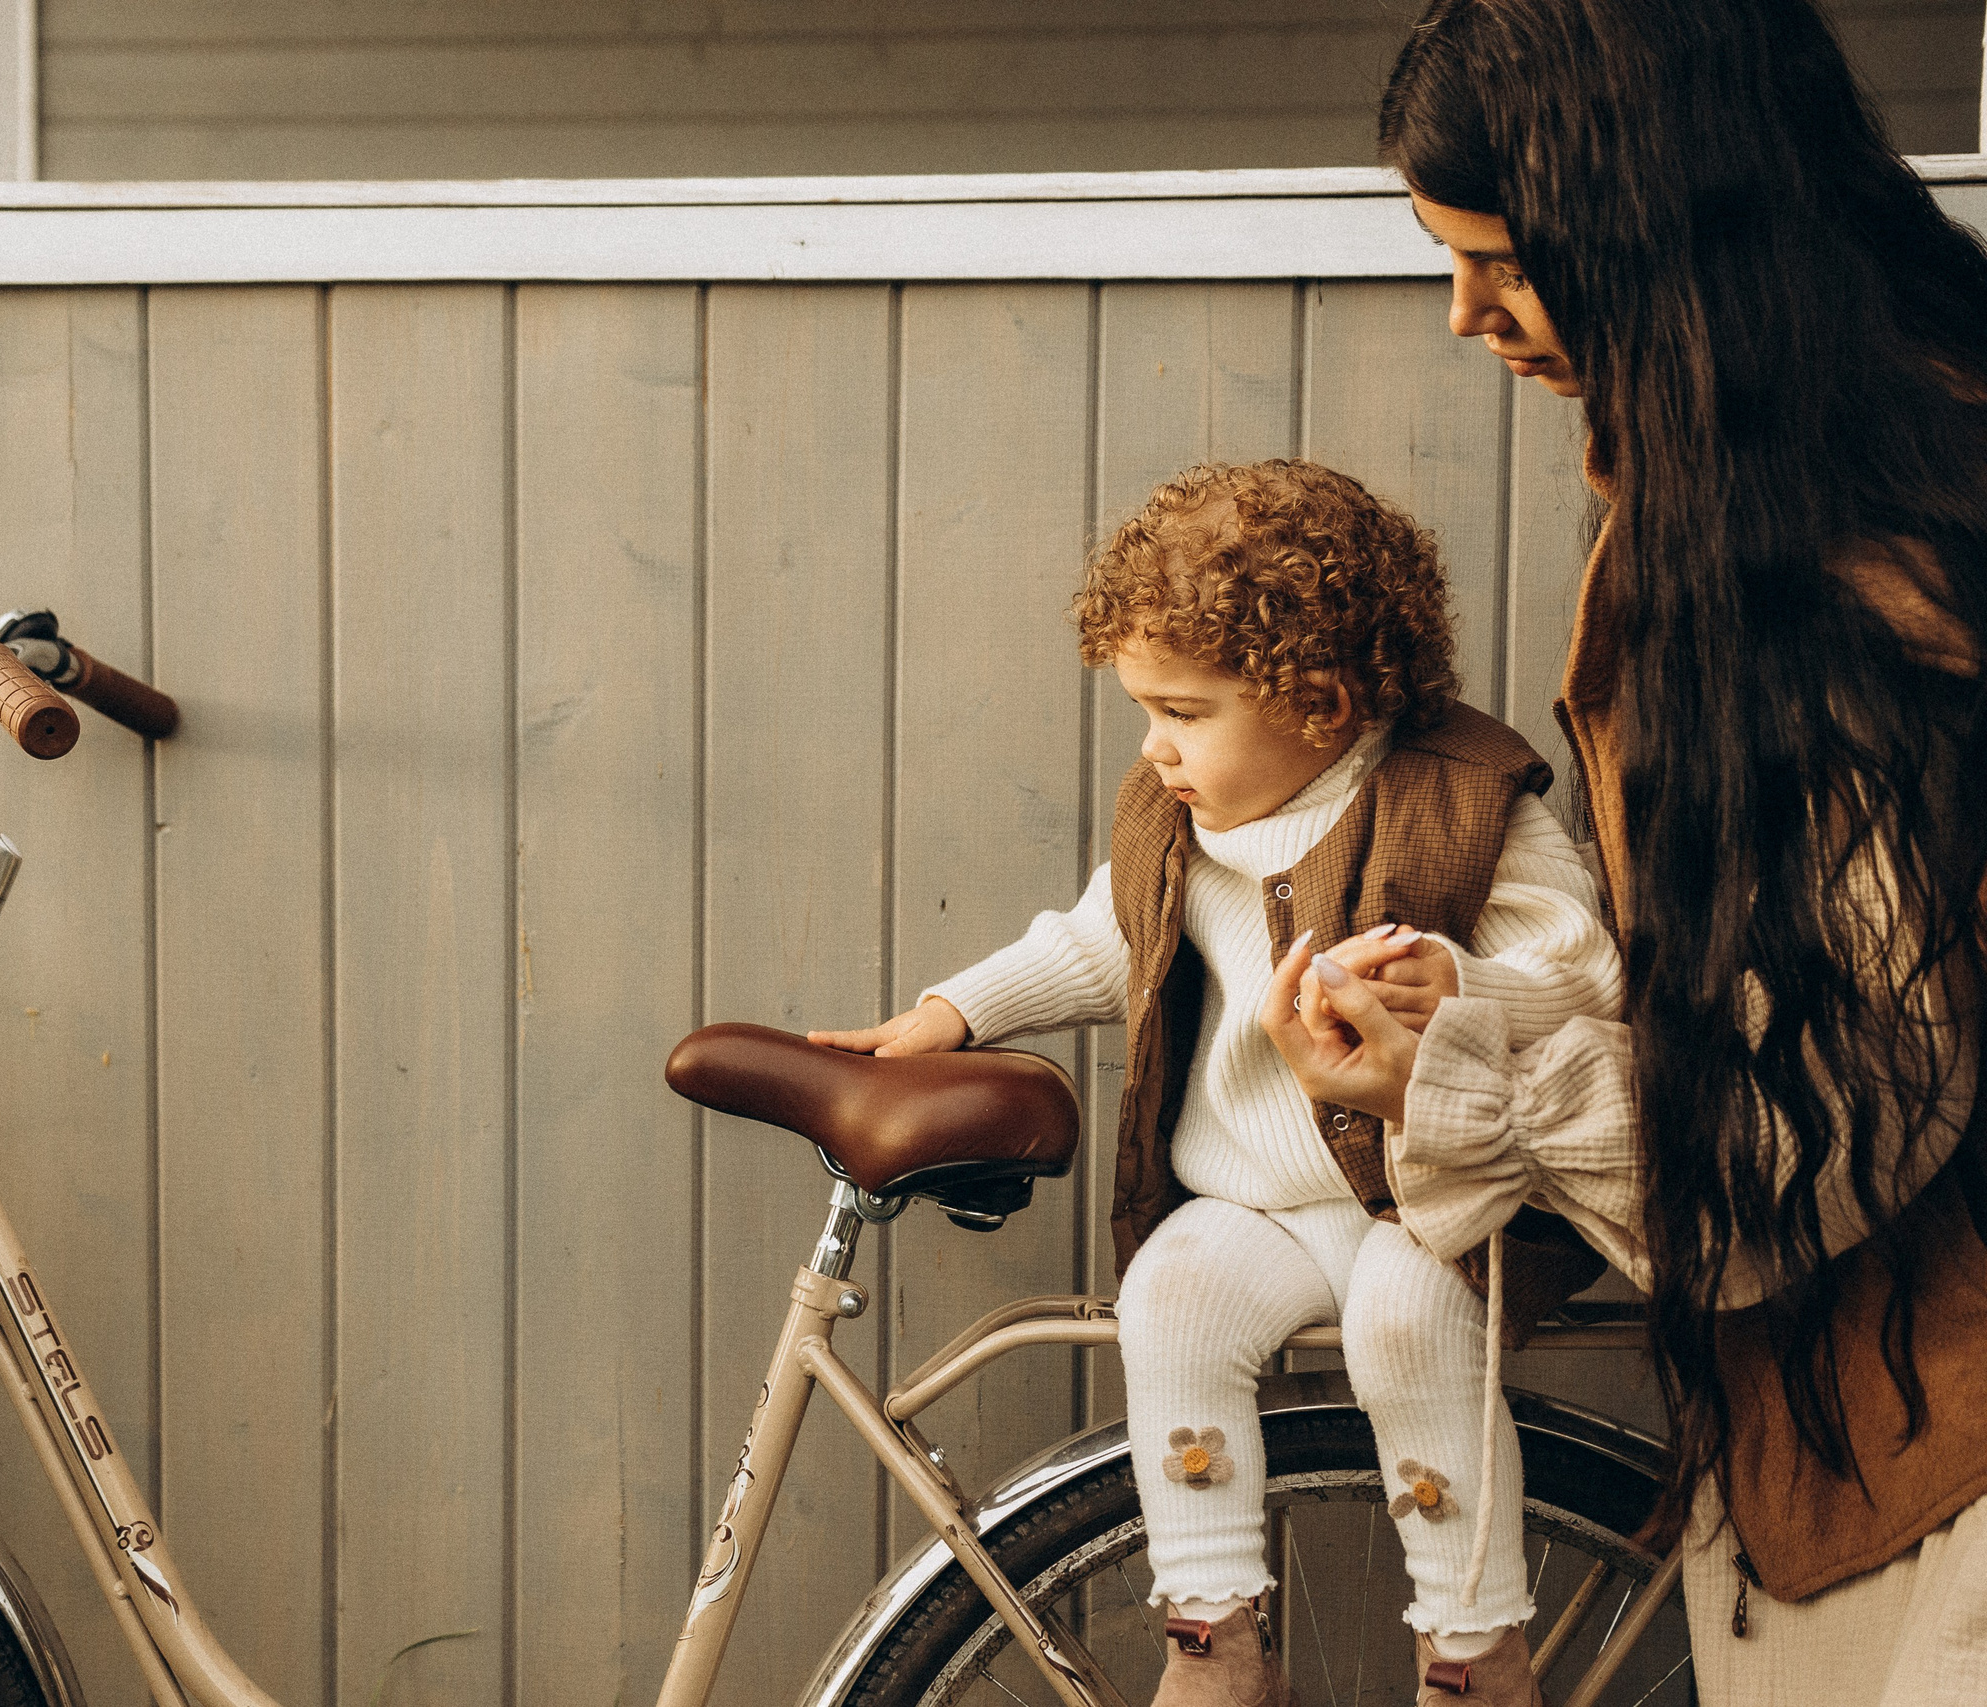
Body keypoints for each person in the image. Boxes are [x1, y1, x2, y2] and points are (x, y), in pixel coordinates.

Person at [1257, 2, 1987, 1701]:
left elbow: (1844, 1107)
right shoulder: (1777, 479)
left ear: (1657, 230)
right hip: (1873, 1408)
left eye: (1505, 261)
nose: (1466, 316)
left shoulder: (1844, 564)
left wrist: (1462, 1085)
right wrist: (1482, 1030)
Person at [814, 458, 1621, 1707]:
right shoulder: (1175, 820)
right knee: (1170, 1297)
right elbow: (1098, 941)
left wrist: (1458, 986)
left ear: (1319, 700)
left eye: (1183, 712)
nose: (1156, 749)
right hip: (1254, 1204)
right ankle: (1211, 1639)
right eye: (1147, 712)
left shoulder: (1460, 800)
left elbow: (1577, 972)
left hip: (1426, 1198)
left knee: (1408, 1330)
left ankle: (1473, 1649)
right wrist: (950, 1012)